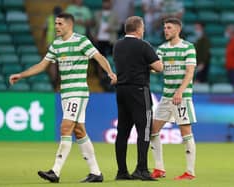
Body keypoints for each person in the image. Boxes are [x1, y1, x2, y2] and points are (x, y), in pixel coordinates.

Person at [9, 13, 117, 183]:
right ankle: (96, 172)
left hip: (78, 91)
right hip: (65, 92)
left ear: (69, 25)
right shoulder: (57, 44)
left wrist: (110, 72)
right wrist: (21, 75)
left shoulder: (81, 41)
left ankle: (55, 171)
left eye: (59, 24)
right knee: (79, 131)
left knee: (65, 127)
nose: (57, 27)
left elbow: (99, 57)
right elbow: (42, 65)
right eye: (56, 23)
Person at [113, 16, 163, 181]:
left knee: (123, 132)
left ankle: (122, 171)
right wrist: (147, 64)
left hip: (121, 90)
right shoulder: (143, 45)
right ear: (139, 29)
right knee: (144, 130)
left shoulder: (117, 45)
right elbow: (159, 67)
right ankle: (141, 169)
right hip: (139, 90)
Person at [150, 17, 197, 180]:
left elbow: (190, 73)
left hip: (181, 97)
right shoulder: (162, 49)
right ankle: (159, 168)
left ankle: (190, 172)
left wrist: (180, 92)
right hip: (166, 97)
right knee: (152, 131)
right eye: (164, 28)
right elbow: (157, 69)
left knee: (185, 131)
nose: (166, 30)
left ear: (177, 29)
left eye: (169, 28)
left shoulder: (188, 48)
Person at [92, 0, 120, 91]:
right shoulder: (97, 14)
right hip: (100, 40)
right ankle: (101, 77)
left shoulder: (115, 14)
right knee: (99, 59)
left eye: (108, 2)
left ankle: (112, 77)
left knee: (112, 59)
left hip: (110, 40)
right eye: (105, 2)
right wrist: (94, 35)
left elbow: (118, 26)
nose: (106, 4)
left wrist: (110, 29)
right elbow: (93, 26)